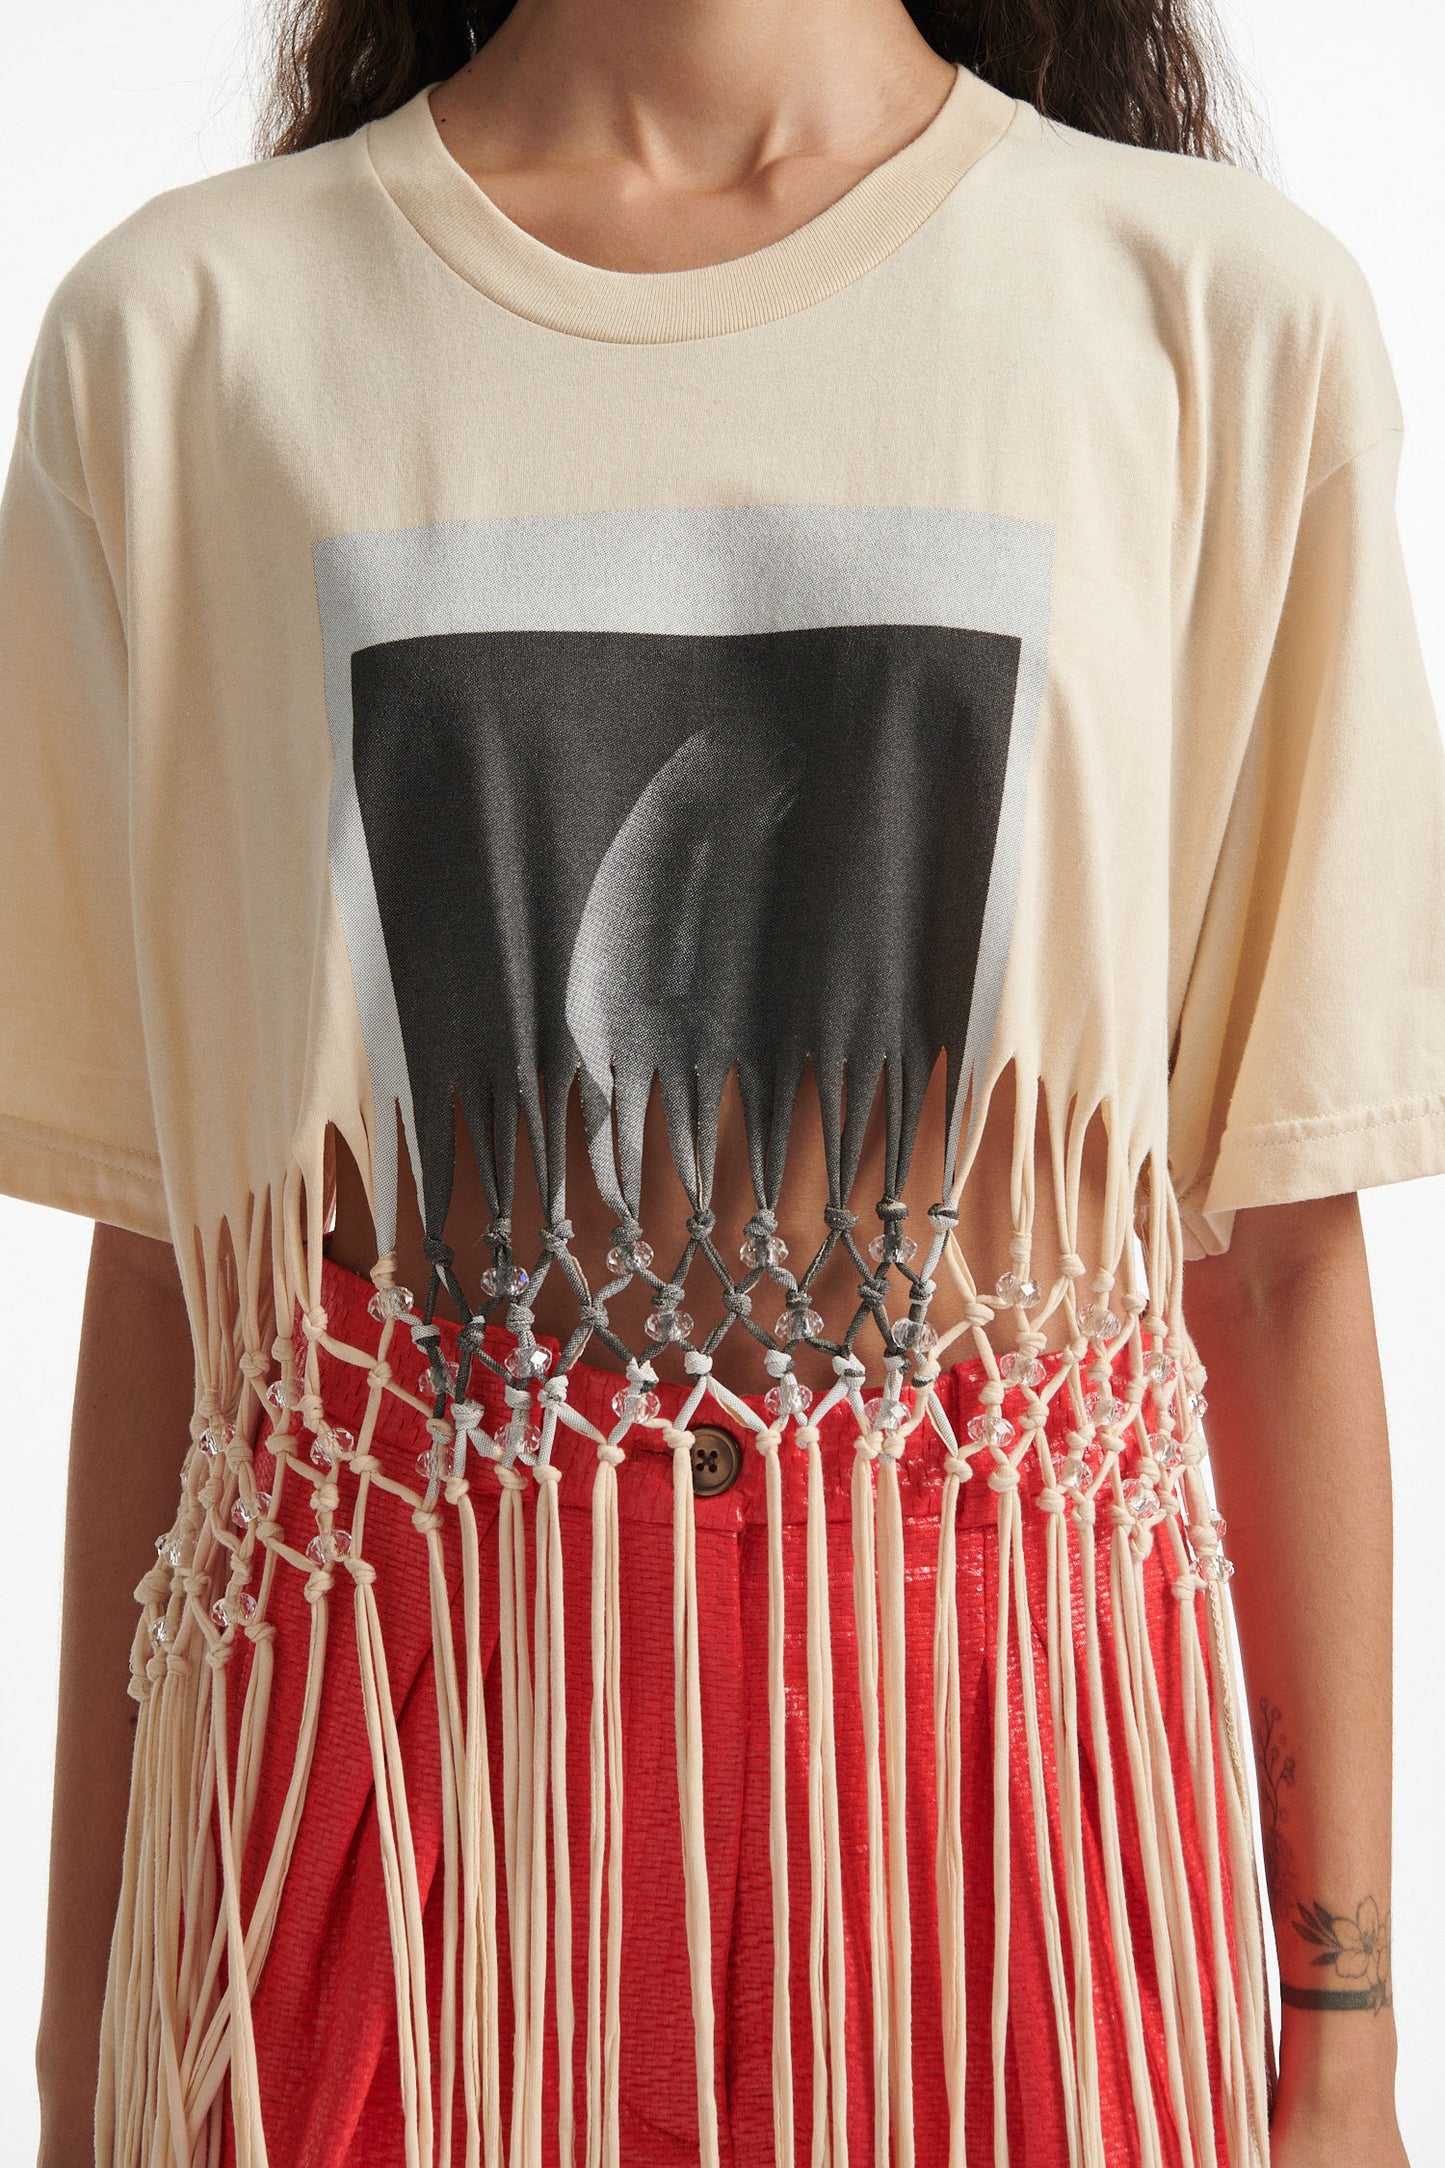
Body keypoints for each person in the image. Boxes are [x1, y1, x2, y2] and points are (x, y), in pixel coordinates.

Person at [2, 0, 1441, 2162]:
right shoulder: (186, 341)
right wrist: (81, 2041)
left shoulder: (1210, 319)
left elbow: (1278, 1260)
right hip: (373, 1913)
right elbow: (179, 1284)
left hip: (1026, 1914)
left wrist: (1345, 2038)